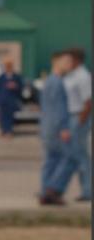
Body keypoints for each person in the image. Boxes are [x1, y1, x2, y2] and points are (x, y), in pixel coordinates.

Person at [49, 47, 92, 202]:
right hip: (69, 117)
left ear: (77, 60)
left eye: (69, 60)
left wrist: (80, 123)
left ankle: (88, 191)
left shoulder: (83, 76)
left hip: (77, 116)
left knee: (80, 155)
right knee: (73, 155)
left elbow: (88, 103)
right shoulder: (70, 75)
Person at [38, 52, 72, 205]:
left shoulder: (49, 81)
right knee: (66, 158)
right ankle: (53, 189)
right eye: (66, 62)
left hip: (47, 125)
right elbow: (59, 107)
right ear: (57, 62)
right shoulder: (57, 82)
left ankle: (45, 191)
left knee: (51, 160)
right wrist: (64, 127)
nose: (69, 65)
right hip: (56, 126)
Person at [0, 59, 23, 137]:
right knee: (2, 116)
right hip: (3, 100)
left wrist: (15, 86)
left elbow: (20, 87)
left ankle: (9, 131)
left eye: (9, 66)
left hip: (12, 100)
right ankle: (3, 130)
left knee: (10, 116)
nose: (8, 67)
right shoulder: (1, 77)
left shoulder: (16, 77)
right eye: (7, 66)